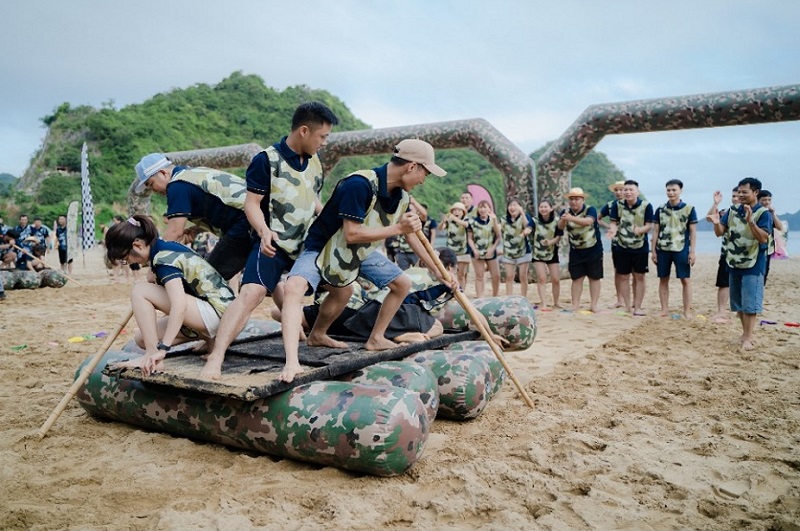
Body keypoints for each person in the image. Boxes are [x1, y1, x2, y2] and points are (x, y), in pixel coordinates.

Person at [276, 138, 449, 384]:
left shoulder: (401, 198)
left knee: (401, 284)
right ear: (412, 166)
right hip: (324, 246)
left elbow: (411, 236)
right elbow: (351, 233)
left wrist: (438, 272)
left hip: (359, 251)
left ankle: (372, 338)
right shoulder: (359, 184)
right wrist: (398, 228)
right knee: (295, 287)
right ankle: (292, 362)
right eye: (425, 173)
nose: (424, 180)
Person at [199, 102, 340, 380]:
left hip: (305, 244)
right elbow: (251, 204)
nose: (324, 142)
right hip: (272, 242)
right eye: (322, 136)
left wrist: (329, 223)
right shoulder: (266, 160)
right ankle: (216, 356)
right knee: (251, 293)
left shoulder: (315, 162)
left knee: (327, 286)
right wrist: (264, 231)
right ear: (304, 131)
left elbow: (313, 198)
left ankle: (311, 335)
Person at [106, 215, 235, 377]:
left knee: (140, 290)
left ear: (137, 245)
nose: (131, 263)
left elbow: (179, 306)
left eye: (126, 259)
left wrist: (163, 349)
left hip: (221, 315)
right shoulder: (163, 248)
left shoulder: (163, 259)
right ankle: (209, 339)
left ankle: (152, 357)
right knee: (141, 338)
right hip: (215, 316)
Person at [133, 151, 252, 283]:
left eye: (151, 184)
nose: (153, 190)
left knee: (206, 280)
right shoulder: (191, 174)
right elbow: (220, 205)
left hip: (245, 221)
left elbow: (174, 231)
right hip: (260, 216)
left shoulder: (177, 185)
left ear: (163, 173)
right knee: (259, 281)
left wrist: (155, 264)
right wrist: (197, 230)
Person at [709, 177, 772, 351]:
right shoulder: (732, 210)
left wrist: (751, 221)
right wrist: (716, 223)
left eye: (745, 192)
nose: (741, 195)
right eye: (739, 192)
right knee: (738, 304)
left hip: (754, 263)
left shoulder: (763, 213)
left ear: (756, 192)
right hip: (733, 261)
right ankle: (744, 333)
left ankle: (749, 337)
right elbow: (720, 232)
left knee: (750, 303)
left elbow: (763, 238)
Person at [607, 180, 655, 316]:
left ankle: (637, 307)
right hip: (622, 245)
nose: (627, 192)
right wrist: (613, 230)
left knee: (640, 276)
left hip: (640, 246)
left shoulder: (646, 206)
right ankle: (627, 306)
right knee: (623, 276)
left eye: (631, 190)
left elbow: (649, 225)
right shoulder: (617, 205)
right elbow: (613, 222)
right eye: (625, 190)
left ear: (637, 192)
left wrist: (640, 230)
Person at [651, 179, 698, 318]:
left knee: (685, 279)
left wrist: (692, 252)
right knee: (663, 279)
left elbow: (693, 231)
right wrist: (653, 251)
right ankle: (664, 309)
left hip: (681, 248)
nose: (671, 193)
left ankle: (687, 311)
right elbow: (655, 231)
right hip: (663, 248)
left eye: (674, 190)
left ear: (680, 191)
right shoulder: (660, 209)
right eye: (668, 190)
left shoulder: (689, 209)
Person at [557, 187, 603, 312]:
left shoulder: (590, 209)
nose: (573, 202)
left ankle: (594, 305)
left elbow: (588, 221)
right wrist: (563, 219)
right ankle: (575, 304)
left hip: (593, 248)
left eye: (576, 199)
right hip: (576, 249)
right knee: (576, 278)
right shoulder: (565, 212)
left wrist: (571, 218)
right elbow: (560, 227)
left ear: (582, 200)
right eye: (571, 199)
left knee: (594, 277)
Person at [706, 187, 739, 323]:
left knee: (742, 284)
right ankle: (721, 312)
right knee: (724, 283)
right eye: (733, 196)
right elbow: (709, 218)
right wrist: (716, 203)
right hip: (727, 254)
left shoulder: (752, 212)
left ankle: (741, 312)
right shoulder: (726, 212)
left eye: (738, 195)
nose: (736, 198)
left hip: (746, 256)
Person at [599, 181, 626, 308]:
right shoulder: (610, 205)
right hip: (616, 242)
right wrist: (609, 227)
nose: (619, 192)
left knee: (634, 272)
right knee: (618, 271)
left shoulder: (634, 204)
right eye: (616, 190)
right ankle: (619, 299)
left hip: (633, 242)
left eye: (621, 190)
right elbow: (598, 218)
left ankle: (633, 300)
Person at [531, 199, 562, 309]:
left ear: (551, 209)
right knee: (542, 278)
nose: (543, 209)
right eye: (541, 207)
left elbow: (559, 236)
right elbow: (528, 227)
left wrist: (550, 242)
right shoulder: (534, 220)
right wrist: (526, 231)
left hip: (552, 252)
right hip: (538, 253)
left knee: (556, 279)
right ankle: (543, 303)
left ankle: (556, 302)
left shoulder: (557, 221)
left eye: (545, 207)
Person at [468, 199, 502, 298]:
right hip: (477, 252)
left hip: (491, 252)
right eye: (480, 207)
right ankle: (480, 297)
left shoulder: (493, 221)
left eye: (485, 207)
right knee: (479, 276)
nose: (482, 210)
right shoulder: (473, 222)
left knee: (496, 276)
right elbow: (470, 238)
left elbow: (498, 237)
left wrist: (492, 249)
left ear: (489, 209)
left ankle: (495, 296)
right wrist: (474, 250)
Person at [500, 198, 533, 297]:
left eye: (515, 205)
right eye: (510, 205)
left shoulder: (525, 217)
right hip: (508, 252)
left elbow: (527, 226)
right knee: (509, 276)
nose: (512, 207)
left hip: (523, 251)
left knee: (523, 276)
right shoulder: (504, 219)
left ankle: (523, 297)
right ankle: (509, 298)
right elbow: (500, 231)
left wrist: (522, 213)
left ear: (520, 207)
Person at [394, 198, 431, 270]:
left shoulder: (418, 220)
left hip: (416, 252)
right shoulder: (401, 220)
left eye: (411, 210)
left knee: (419, 271)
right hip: (402, 252)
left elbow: (424, 214)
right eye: (407, 210)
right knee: (403, 272)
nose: (409, 212)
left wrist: (413, 201)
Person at [440, 201, 471, 288]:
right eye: (454, 210)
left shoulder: (466, 219)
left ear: (463, 212)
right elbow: (441, 228)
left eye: (459, 210)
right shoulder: (449, 221)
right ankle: (451, 291)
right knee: (449, 273)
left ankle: (461, 292)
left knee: (461, 274)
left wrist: (454, 218)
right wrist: (443, 221)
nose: (456, 212)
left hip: (463, 251)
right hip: (450, 251)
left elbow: (466, 225)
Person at [757, 189, 785, 285]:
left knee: (764, 273)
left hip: (768, 249)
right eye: (764, 200)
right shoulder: (755, 213)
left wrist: (773, 214)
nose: (767, 202)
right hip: (757, 248)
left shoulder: (769, 214)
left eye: (769, 200)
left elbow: (780, 227)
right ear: (758, 200)